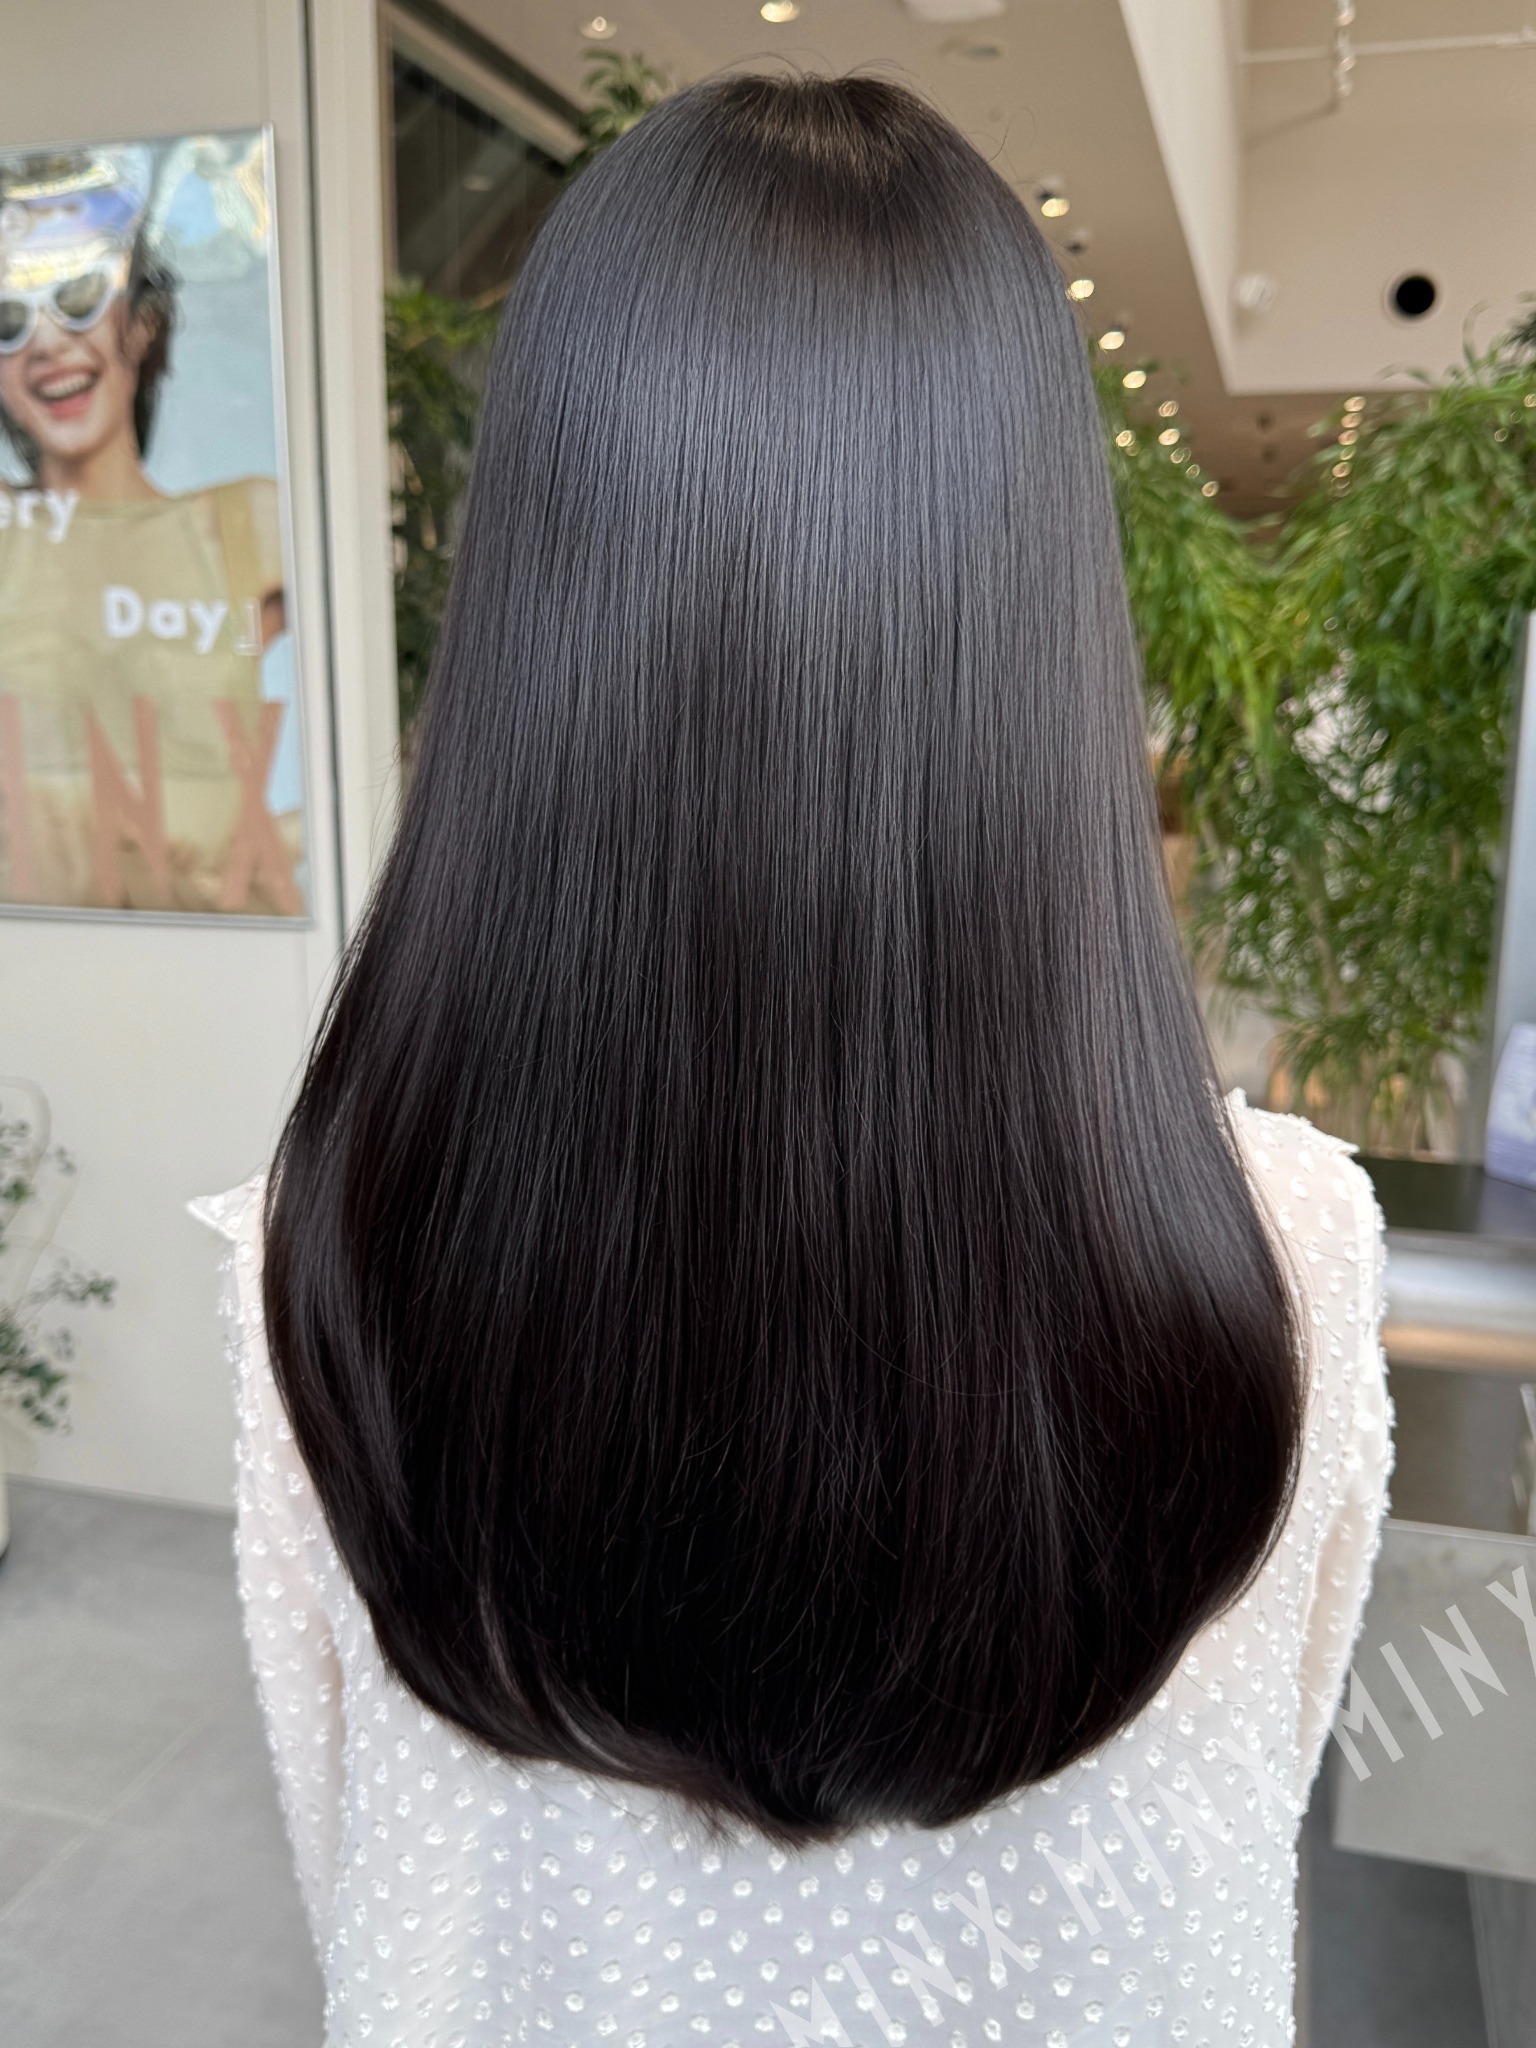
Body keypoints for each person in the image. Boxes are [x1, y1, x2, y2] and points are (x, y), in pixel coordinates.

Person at [189, 72, 1392, 2047]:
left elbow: (362, 1882)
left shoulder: (322, 1266)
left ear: (539, 603)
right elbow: (1268, 1779)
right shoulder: (1290, 1262)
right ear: (1043, 613)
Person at [0, 145, 295, 914]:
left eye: (77, 297)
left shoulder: (249, 526)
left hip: (225, 951)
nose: (46, 344)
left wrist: (296, 849)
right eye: (8, 320)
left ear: (140, 323)